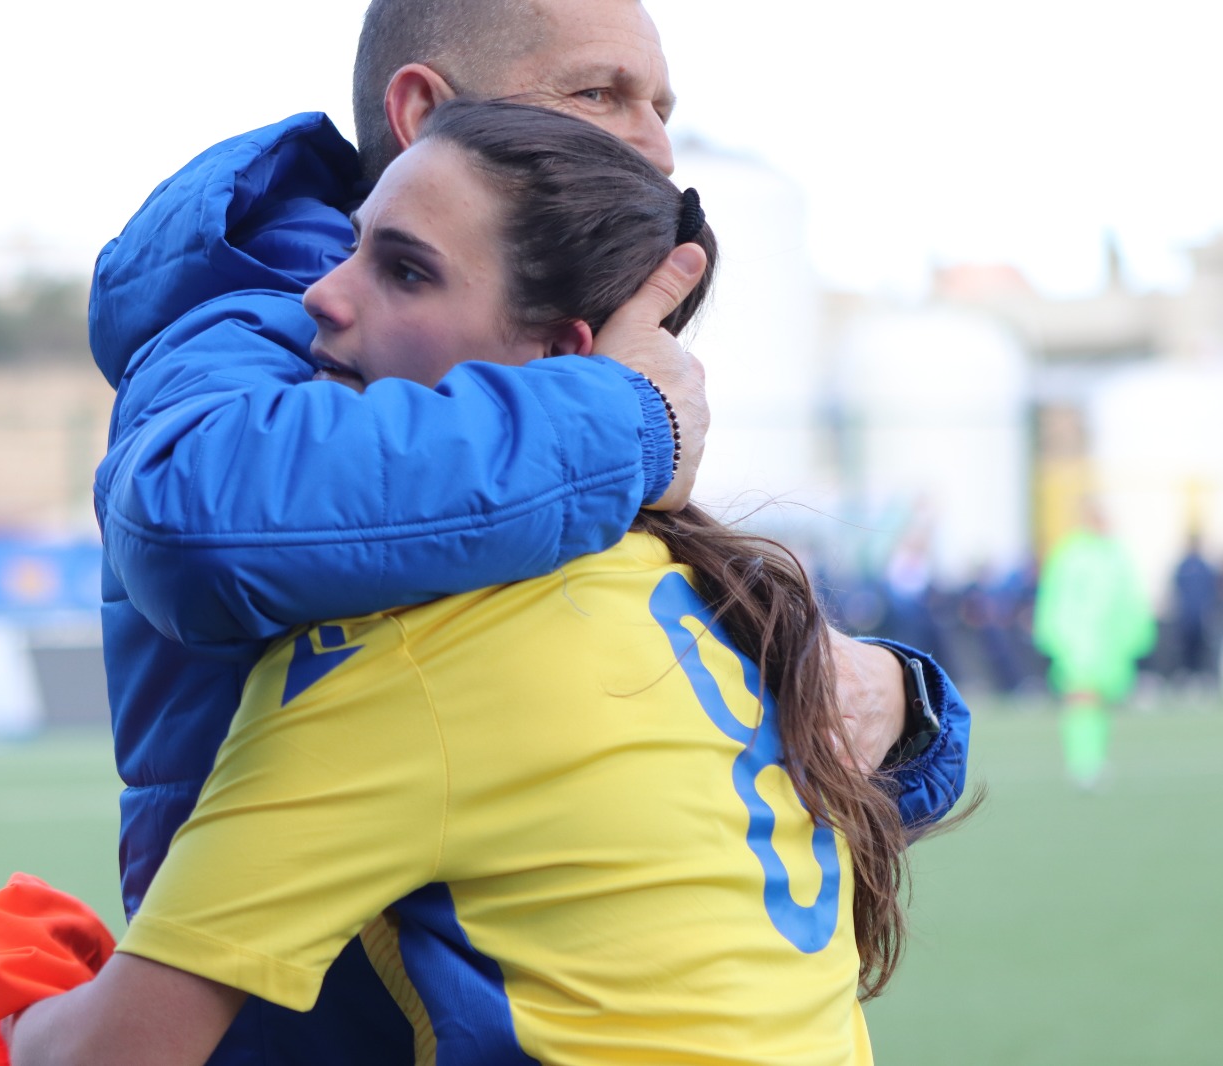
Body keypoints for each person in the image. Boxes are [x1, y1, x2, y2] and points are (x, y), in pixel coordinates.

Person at [91, 0, 969, 1059]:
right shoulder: (276, 318)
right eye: (599, 93)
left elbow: (660, 789)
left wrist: (896, 700)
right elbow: (197, 524)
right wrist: (627, 416)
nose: (653, 148)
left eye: (661, 108)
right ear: (422, 113)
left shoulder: (553, 395)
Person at [1034, 502, 1155, 789]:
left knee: (1099, 702)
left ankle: (1094, 759)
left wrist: (1136, 634)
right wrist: (1056, 635)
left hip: (1109, 644)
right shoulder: (1070, 554)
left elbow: (1131, 598)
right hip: (1079, 642)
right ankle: (1082, 762)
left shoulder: (1116, 555)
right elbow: (1056, 598)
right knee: (1082, 699)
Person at [1171, 533, 1220, 688]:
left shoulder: (1206, 567)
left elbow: (1212, 590)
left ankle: (1200, 676)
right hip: (1186, 615)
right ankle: (1187, 675)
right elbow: (1176, 589)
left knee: (1202, 646)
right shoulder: (1183, 566)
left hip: (1201, 615)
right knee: (1186, 647)